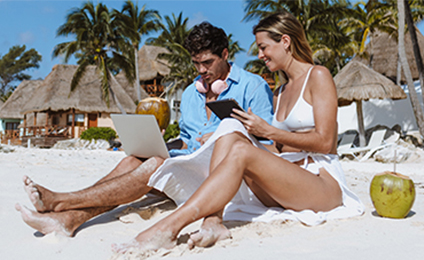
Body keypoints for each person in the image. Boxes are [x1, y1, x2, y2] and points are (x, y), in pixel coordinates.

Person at [112, 11, 364, 254]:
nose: (260, 54)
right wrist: (245, 134)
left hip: (321, 182)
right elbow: (278, 149)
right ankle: (213, 221)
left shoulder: (318, 76)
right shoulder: (280, 90)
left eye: (264, 47)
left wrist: (267, 131)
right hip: (288, 175)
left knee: (239, 143)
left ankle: (169, 227)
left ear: (285, 41)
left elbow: (325, 141)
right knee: (230, 127)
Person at [15, 22, 274, 237]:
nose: (201, 70)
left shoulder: (253, 86)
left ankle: (61, 200)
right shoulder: (189, 94)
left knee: (154, 165)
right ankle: (68, 220)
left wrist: (224, 135)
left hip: (223, 182)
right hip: (187, 168)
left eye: (207, 62)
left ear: (226, 55)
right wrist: (162, 143)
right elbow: (185, 142)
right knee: (133, 160)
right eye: (196, 63)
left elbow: (269, 147)